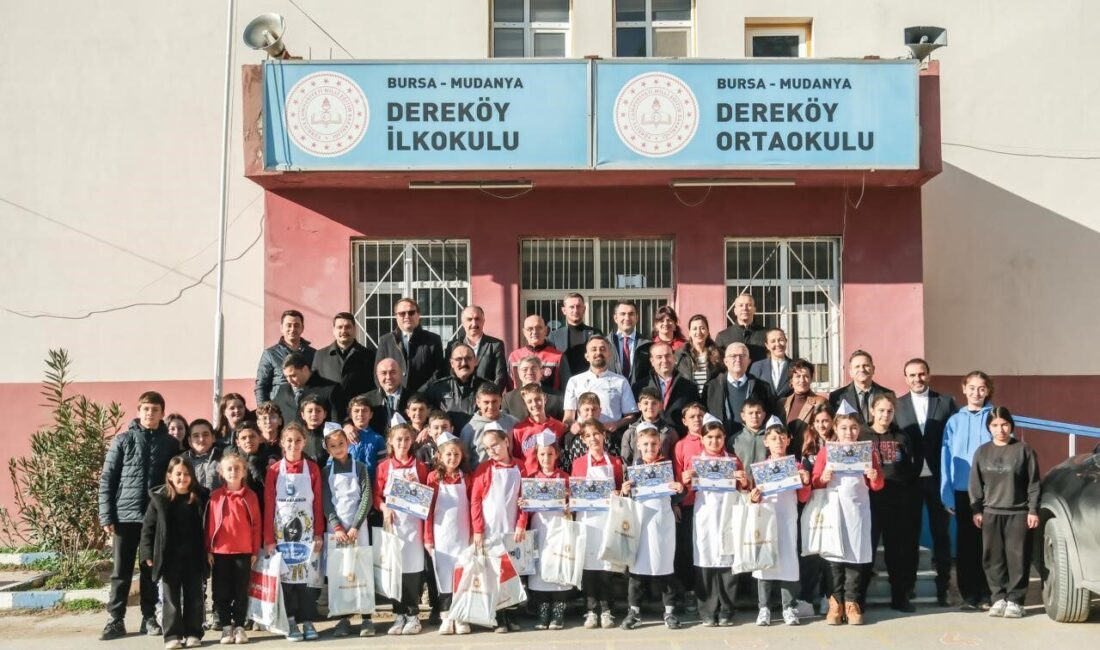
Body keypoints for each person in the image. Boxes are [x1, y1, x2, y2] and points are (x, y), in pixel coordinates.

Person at [99, 391, 178, 641]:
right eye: (146, 409)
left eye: (155, 409)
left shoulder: (170, 444)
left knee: (149, 569)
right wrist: (106, 515)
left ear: (162, 413)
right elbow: (108, 479)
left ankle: (149, 617)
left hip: (153, 518)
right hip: (124, 517)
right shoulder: (122, 440)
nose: (150, 413)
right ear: (138, 411)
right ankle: (115, 620)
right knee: (120, 571)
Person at [811, 408, 885, 625]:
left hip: (858, 509)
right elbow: (815, 480)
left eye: (853, 427)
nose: (849, 432)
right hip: (833, 508)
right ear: (835, 428)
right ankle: (836, 602)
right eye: (843, 428)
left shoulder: (867, 451)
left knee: (855, 554)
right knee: (834, 556)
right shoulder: (827, 451)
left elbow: (878, 484)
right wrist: (823, 477)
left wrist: (873, 476)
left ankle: (852, 602)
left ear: (859, 429)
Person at [894, 358, 958, 605]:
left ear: (929, 375)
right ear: (905, 378)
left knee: (941, 535)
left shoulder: (946, 402)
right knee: (908, 536)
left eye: (921, 374)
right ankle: (907, 587)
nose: (917, 379)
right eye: (912, 375)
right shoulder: (896, 405)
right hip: (908, 481)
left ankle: (944, 588)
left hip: (938, 479)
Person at [969, 407, 1041, 619]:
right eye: (994, 425)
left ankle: (1016, 600)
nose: (1000, 429)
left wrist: (1033, 510)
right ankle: (998, 598)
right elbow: (975, 484)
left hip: (1018, 513)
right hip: (991, 512)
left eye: (1004, 424)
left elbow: (1033, 484)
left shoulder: (1024, 450)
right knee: (993, 558)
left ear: (1011, 425)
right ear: (988, 428)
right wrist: (977, 509)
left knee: (1017, 558)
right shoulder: (982, 452)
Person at [680, 419, 747, 627]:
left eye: (718, 437)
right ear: (702, 439)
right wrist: (685, 481)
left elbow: (745, 490)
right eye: (709, 437)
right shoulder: (695, 462)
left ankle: (727, 609)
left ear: (724, 438)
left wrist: (743, 480)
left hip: (728, 515)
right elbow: (686, 495)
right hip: (705, 517)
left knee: (728, 562)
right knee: (705, 562)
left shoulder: (733, 461)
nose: (714, 441)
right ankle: (707, 611)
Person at [263, 423, 324, 642]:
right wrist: (268, 539)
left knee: (307, 580)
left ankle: (307, 621)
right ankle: (290, 621)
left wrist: (318, 533)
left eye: (298, 440)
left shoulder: (313, 468)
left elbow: (317, 504)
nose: (293, 444)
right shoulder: (273, 471)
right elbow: (269, 505)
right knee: (287, 581)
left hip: (307, 535)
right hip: (281, 535)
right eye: (289, 440)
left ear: (304, 442)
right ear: (281, 442)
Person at [620, 427, 685, 631]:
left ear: (659, 445)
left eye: (654, 444)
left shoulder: (667, 468)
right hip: (639, 524)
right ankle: (634, 612)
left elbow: (676, 496)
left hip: (662, 525)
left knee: (665, 569)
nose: (650, 448)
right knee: (636, 572)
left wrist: (680, 489)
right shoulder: (633, 469)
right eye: (646, 444)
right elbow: (625, 499)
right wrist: (624, 491)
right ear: (638, 445)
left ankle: (670, 612)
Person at [139, 457, 208, 650]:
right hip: (169, 557)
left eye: (186, 474)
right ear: (169, 476)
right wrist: (147, 553)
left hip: (194, 556)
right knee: (171, 597)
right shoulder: (159, 499)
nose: (182, 478)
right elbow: (148, 528)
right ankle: (172, 635)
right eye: (178, 474)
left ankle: (194, 632)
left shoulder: (201, 497)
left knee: (195, 596)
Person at [941, 371, 996, 610]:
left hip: (990, 491)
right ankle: (969, 594)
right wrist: (947, 492)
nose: (976, 393)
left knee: (988, 544)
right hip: (963, 490)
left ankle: (988, 593)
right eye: (971, 388)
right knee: (966, 544)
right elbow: (945, 457)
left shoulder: (994, 418)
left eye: (981, 388)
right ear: (964, 389)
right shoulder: (954, 421)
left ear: (988, 391)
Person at [750, 419, 813, 627]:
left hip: (787, 519)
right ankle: (764, 608)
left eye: (782, 438)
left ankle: (788, 607)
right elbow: (753, 497)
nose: (778, 442)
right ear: (766, 441)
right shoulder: (760, 468)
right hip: (767, 519)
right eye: (773, 438)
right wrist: (754, 496)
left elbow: (803, 498)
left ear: (789, 440)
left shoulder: (795, 466)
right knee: (765, 562)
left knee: (787, 561)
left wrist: (805, 481)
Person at [863, 393, 922, 612]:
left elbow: (910, 467)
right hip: (869, 502)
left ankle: (900, 596)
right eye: (881, 410)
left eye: (889, 411)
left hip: (897, 502)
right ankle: (859, 598)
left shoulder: (901, 436)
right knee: (866, 551)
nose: (885, 415)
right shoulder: (862, 435)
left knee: (897, 553)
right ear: (872, 411)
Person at [470, 426, 529, 633]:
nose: (491, 450)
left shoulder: (520, 467)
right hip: (489, 530)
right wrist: (478, 529)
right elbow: (476, 501)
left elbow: (525, 500)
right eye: (487, 448)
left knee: (511, 575)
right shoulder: (484, 469)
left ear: (506, 441)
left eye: (494, 444)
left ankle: (512, 615)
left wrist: (521, 524)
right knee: (494, 574)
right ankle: (498, 617)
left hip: (512, 530)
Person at [374, 423, 430, 635]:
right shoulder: (383, 467)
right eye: (399, 439)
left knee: (412, 571)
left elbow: (428, 495)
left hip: (414, 527)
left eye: (407, 439)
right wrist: (383, 507)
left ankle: (413, 615)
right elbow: (376, 496)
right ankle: (399, 614)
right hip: (393, 526)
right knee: (394, 571)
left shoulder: (420, 466)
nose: (403, 443)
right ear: (390, 441)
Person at [569, 419, 624, 629]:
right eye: (588, 436)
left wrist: (618, 493)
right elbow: (575, 492)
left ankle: (607, 609)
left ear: (604, 435)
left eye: (597, 434)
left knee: (607, 566)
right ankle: (591, 609)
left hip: (608, 520)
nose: (593, 438)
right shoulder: (579, 463)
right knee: (589, 567)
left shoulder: (616, 462)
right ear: (583, 439)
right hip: (587, 521)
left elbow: (620, 489)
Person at [321, 425, 374, 638]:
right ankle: (342, 618)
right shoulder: (326, 472)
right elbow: (326, 501)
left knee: (362, 571)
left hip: (357, 529)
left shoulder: (360, 467)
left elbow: (367, 497)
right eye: (333, 446)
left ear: (348, 443)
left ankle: (367, 617)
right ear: (327, 449)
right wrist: (337, 526)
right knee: (339, 573)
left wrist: (355, 526)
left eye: (341, 444)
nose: (338, 448)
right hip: (337, 531)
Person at [205, 451, 261, 645]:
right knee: (221, 592)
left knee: (240, 591)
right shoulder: (215, 497)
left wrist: (255, 550)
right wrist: (209, 549)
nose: (233, 471)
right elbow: (209, 524)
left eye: (237, 468)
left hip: (243, 552)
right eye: (229, 468)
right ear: (221, 471)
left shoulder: (251, 497)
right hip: (220, 552)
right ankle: (226, 627)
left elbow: (256, 525)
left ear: (244, 471)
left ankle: (239, 626)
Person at [424, 432, 472, 636]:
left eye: (456, 455)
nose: (453, 458)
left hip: (463, 535)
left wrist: (473, 534)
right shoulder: (433, 478)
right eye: (448, 455)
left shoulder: (467, 478)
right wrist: (428, 537)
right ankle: (446, 617)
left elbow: (473, 505)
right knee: (443, 577)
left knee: (462, 576)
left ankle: (461, 616)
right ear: (440, 457)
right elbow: (427, 509)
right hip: (441, 535)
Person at [522, 438, 572, 630]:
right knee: (541, 569)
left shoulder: (565, 477)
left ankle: (558, 612)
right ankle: (543, 612)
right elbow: (524, 508)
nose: (546, 458)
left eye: (550, 454)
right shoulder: (531, 478)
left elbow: (575, 504)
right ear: (537, 455)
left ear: (557, 455)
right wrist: (523, 504)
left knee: (560, 565)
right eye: (542, 454)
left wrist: (569, 505)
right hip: (540, 528)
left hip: (560, 527)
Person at [798, 404, 836, 610]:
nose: (822, 425)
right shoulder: (808, 447)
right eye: (818, 421)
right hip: (813, 502)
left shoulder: (840, 444)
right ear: (812, 424)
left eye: (826, 420)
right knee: (811, 551)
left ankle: (827, 597)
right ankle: (806, 597)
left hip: (835, 501)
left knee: (831, 552)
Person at [563, 336, 639, 436]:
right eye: (593, 349)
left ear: (609, 354)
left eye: (602, 349)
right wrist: (573, 425)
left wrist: (617, 424)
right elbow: (568, 418)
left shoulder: (621, 381)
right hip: (583, 436)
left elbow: (631, 416)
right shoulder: (574, 381)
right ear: (587, 356)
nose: (598, 353)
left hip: (611, 436)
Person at [311, 312, 377, 421]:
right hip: (329, 419)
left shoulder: (369, 356)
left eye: (348, 327)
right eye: (340, 327)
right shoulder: (320, 355)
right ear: (334, 330)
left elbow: (373, 389)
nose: (343, 331)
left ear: (354, 330)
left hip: (359, 419)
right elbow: (314, 389)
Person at [703, 342, 776, 437]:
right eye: (733, 356)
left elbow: (769, 416)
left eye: (742, 356)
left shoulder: (762, 387)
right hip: (721, 444)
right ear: (725, 361)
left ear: (749, 361)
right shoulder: (711, 387)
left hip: (753, 442)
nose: (738, 360)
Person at [375, 297, 446, 394]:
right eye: (402, 313)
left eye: (411, 312)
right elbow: (378, 371)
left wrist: (420, 394)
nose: (407, 316)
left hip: (423, 400)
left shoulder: (433, 340)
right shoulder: (385, 341)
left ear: (418, 315)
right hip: (394, 399)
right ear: (396, 316)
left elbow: (438, 371)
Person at [632, 341, 698, 436]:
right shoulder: (640, 387)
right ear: (652, 361)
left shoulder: (689, 387)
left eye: (668, 356)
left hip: (678, 441)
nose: (664, 360)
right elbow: (636, 416)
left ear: (674, 358)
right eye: (659, 357)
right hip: (648, 444)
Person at [424, 343, 489, 434]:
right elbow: (427, 416)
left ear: (475, 361)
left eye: (468, 358)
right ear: (452, 363)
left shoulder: (486, 388)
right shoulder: (438, 388)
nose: (464, 363)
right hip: (446, 443)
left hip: (478, 441)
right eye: (459, 359)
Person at [255, 309, 316, 405]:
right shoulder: (270, 354)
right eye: (289, 325)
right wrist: (263, 410)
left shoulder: (313, 353)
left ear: (302, 328)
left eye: (296, 325)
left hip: (306, 408)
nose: (292, 329)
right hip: (279, 409)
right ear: (281, 328)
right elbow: (261, 386)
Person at [546, 293, 602, 387]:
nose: (575, 310)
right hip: (563, 387)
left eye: (578, 306)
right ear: (564, 310)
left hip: (590, 385)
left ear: (584, 309)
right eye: (571, 307)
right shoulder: (554, 336)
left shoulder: (595, 333)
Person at [460, 383, 520, 471]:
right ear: (478, 402)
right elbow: (464, 461)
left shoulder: (513, 423)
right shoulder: (470, 429)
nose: (491, 406)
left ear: (500, 400)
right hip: (481, 479)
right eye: (486, 402)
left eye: (494, 401)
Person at [447, 305, 509, 389]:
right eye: (469, 319)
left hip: (486, 397)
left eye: (477, 319)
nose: (474, 323)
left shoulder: (495, 345)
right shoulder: (453, 345)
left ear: (483, 321)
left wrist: (489, 397)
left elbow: (500, 376)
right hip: (460, 398)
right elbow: (448, 374)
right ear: (462, 323)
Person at [828, 350, 896, 424]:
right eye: (857, 366)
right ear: (850, 372)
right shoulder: (837, 397)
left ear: (873, 369)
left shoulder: (888, 394)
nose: (862, 370)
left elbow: (893, 424)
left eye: (866, 366)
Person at [512, 383, 567, 475]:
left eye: (538, 399)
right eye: (529, 401)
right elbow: (517, 458)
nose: (534, 404)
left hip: (553, 479)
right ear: (525, 404)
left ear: (544, 399)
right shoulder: (519, 430)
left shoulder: (559, 427)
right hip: (529, 479)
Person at [272, 352, 340, 427]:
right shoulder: (282, 390)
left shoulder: (329, 389)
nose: (289, 381)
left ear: (305, 369)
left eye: (293, 375)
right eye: (286, 377)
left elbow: (335, 424)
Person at [621, 387, 678, 467]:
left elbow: (676, 459)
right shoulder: (630, 432)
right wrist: (627, 479)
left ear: (661, 406)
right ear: (639, 406)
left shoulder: (670, 432)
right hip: (637, 477)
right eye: (646, 403)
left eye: (654, 403)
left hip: (664, 476)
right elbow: (625, 461)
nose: (650, 406)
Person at [782, 358, 827, 457]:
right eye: (798, 376)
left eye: (806, 376)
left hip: (809, 455)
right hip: (786, 457)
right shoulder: (781, 403)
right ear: (791, 380)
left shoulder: (820, 402)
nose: (802, 380)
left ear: (811, 379)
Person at [508, 315, 563, 391]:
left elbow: (565, 386)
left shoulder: (558, 357)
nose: (534, 332)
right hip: (519, 401)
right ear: (524, 332)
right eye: (530, 329)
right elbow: (509, 387)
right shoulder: (514, 357)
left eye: (539, 328)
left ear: (545, 330)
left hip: (550, 401)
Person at [503, 355, 565, 420]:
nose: (529, 372)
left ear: (541, 372)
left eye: (534, 368)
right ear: (518, 373)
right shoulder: (508, 399)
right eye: (525, 369)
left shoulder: (557, 397)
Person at [674, 314, 724, 396]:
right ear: (689, 333)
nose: (698, 332)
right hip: (689, 402)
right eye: (694, 329)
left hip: (711, 401)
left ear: (708, 331)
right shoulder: (680, 355)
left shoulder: (718, 354)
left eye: (702, 328)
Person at [607, 300, 652, 385]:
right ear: (615, 318)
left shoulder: (648, 345)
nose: (627, 318)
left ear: (637, 318)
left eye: (631, 314)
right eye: (623, 314)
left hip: (639, 394)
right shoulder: (605, 344)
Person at [345, 395, 387, 485]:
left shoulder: (378, 439)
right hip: (346, 488)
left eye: (364, 411)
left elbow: (383, 469)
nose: (360, 414)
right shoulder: (343, 438)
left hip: (370, 488)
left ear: (371, 415)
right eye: (356, 411)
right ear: (350, 414)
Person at [715, 294, 769, 363]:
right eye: (741, 305)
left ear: (754, 310)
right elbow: (717, 364)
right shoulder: (723, 336)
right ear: (735, 311)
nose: (745, 308)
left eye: (749, 305)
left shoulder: (766, 334)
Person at [560, 393, 604, 475]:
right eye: (586, 410)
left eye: (594, 409)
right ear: (579, 412)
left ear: (600, 411)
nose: (590, 413)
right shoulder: (570, 437)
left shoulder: (606, 435)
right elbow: (565, 466)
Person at [364, 358, 408, 434]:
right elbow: (352, 417)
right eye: (384, 373)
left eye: (393, 372)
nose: (388, 377)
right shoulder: (367, 399)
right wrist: (348, 425)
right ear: (377, 376)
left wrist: (426, 428)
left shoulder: (414, 397)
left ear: (400, 373)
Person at [749, 328, 794, 401]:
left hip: (789, 410)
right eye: (773, 341)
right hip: (764, 411)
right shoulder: (757, 366)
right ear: (767, 345)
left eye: (781, 340)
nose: (777, 344)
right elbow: (752, 393)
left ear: (786, 341)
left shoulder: (794, 366)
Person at [183, 418, 223, 494]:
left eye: (205, 435)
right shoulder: (182, 461)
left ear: (213, 438)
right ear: (189, 441)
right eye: (196, 436)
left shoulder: (224, 458)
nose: (201, 439)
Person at [731, 399, 772, 469]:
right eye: (750, 413)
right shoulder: (734, 440)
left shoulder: (771, 438)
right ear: (743, 416)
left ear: (764, 415)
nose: (754, 416)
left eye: (758, 412)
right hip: (742, 479)